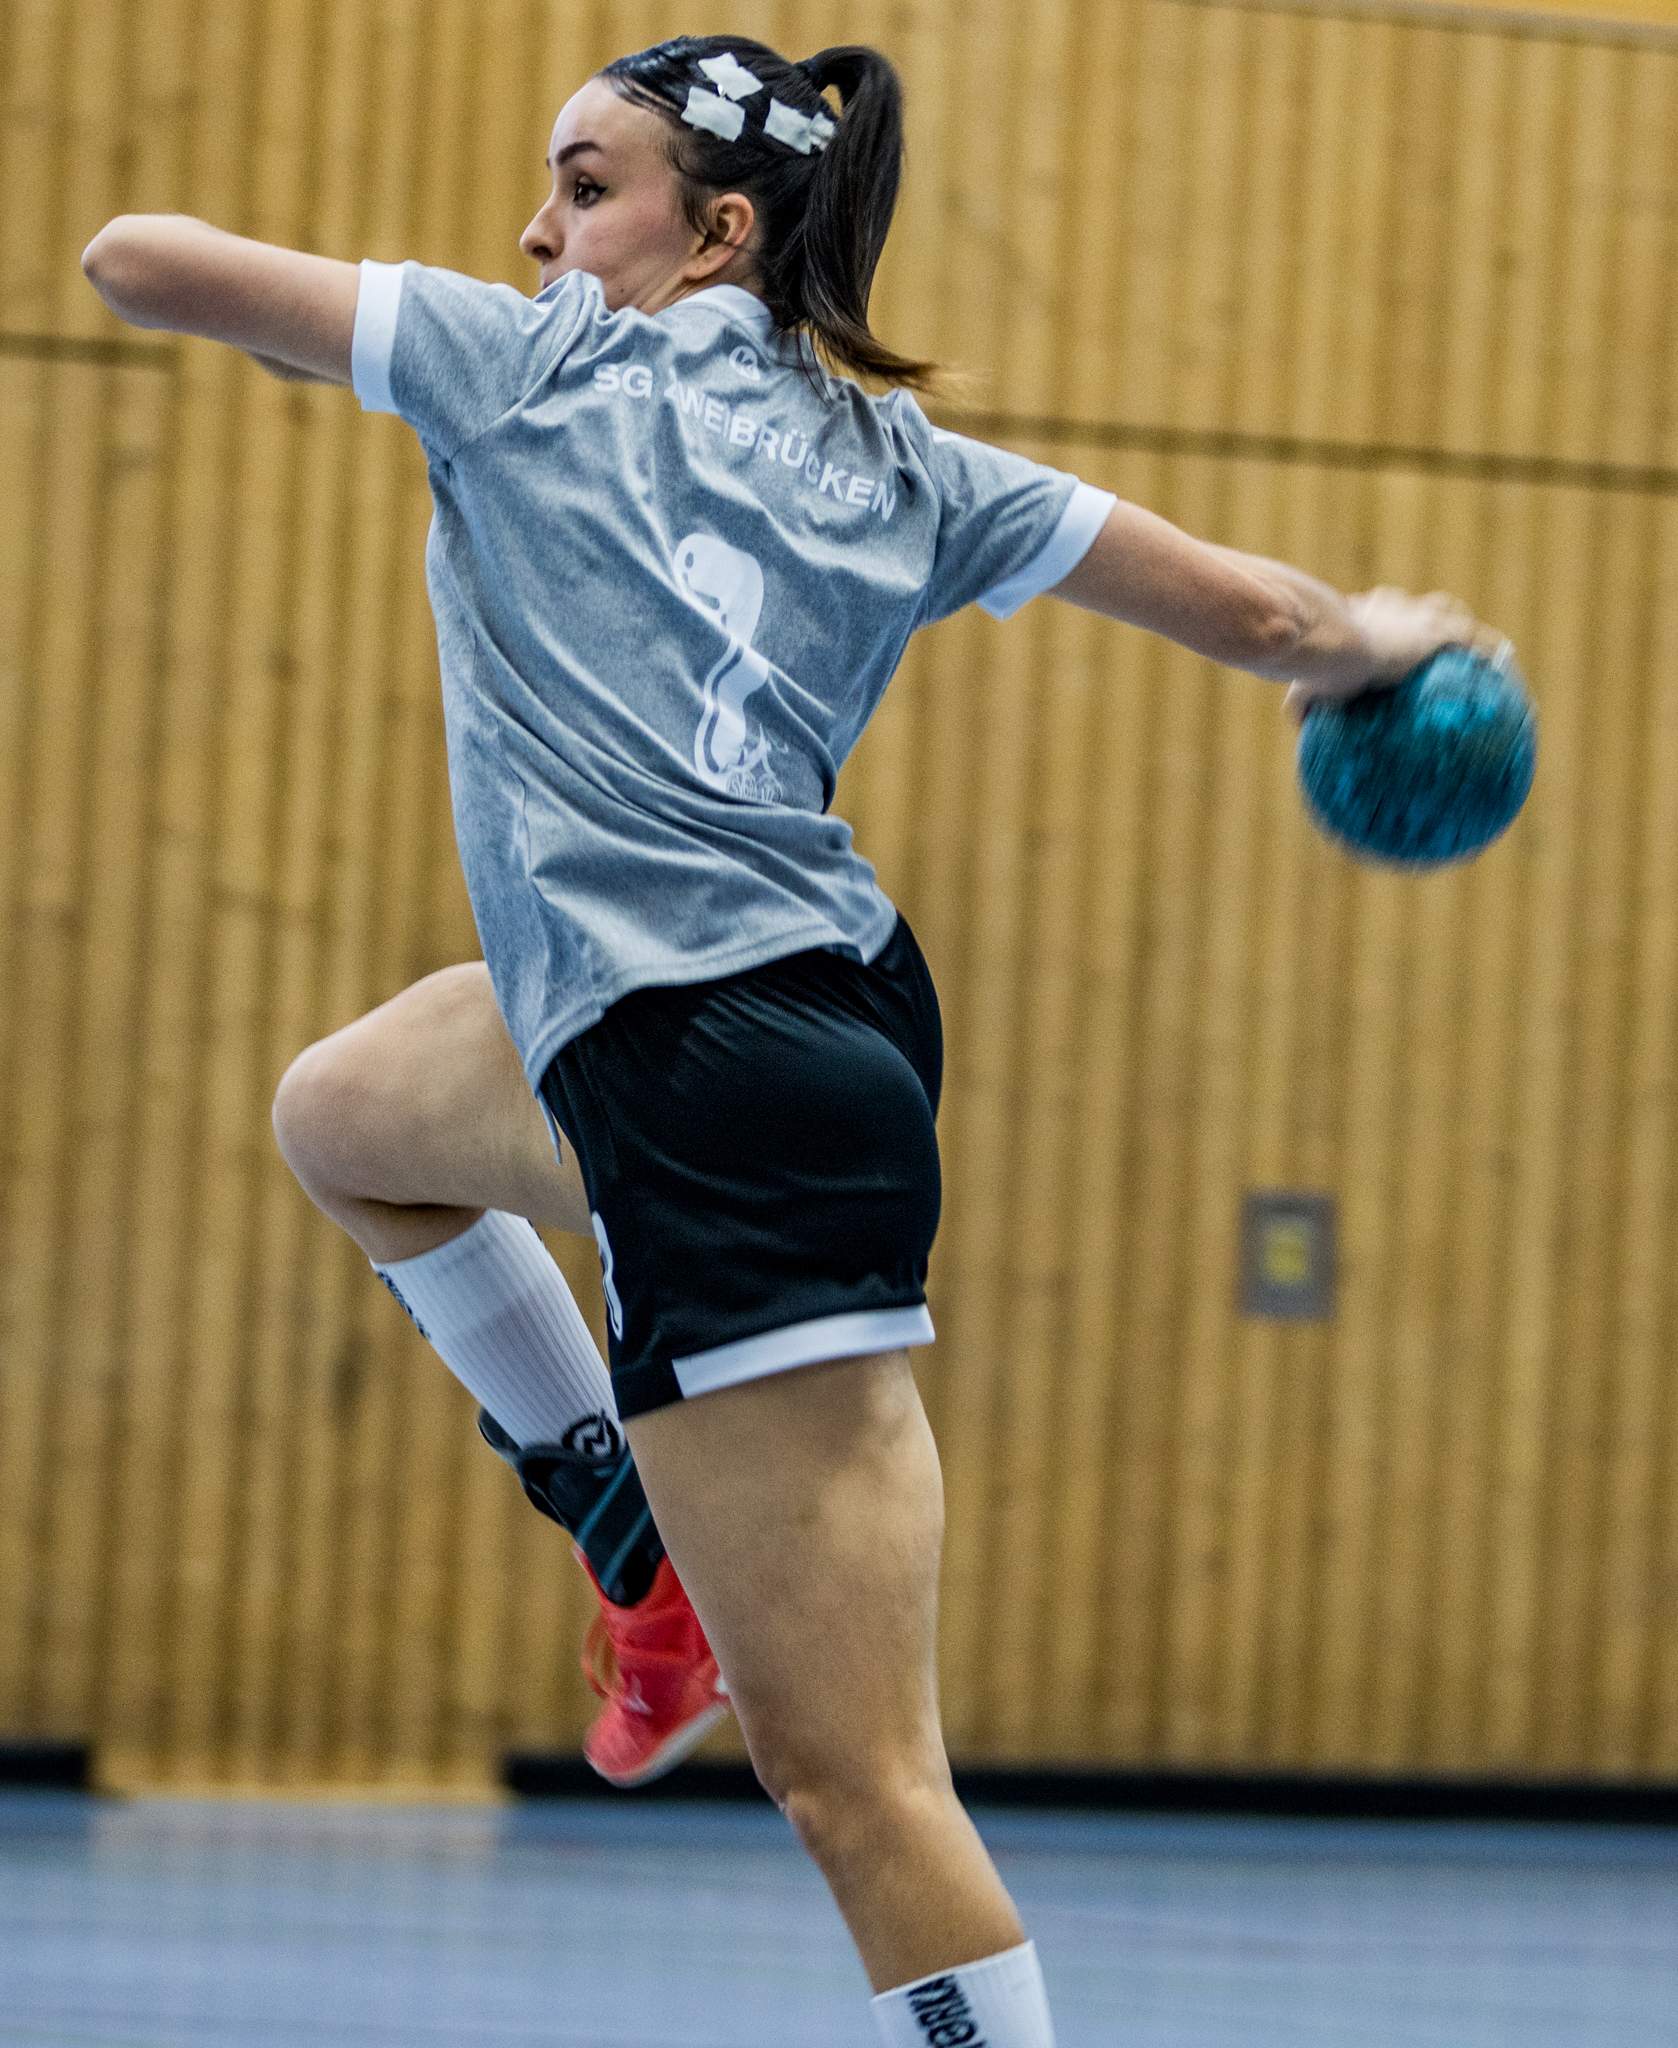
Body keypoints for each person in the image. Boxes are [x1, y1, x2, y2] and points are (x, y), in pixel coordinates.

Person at [82, 33, 1502, 2042]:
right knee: (348, 1111)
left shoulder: (525, 365)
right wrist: (1381, 646)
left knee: (854, 1782)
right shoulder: (903, 468)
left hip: (708, 1081)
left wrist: (369, 335)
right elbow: (1264, 622)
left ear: (717, 231)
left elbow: (134, 255)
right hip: (757, 1026)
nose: (536, 229)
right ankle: (619, 1517)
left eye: (584, 187)